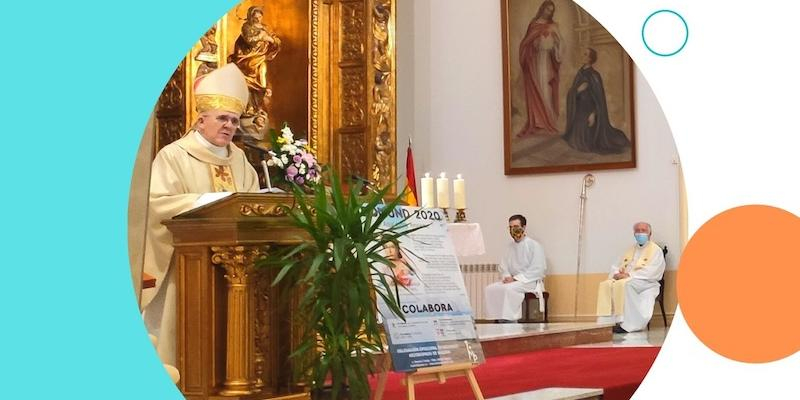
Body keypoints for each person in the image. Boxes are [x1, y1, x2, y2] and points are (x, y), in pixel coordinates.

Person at [141, 63, 261, 365]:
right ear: (201, 119)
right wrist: (208, 200)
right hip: (187, 267)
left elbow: (253, 207)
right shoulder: (174, 156)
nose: (229, 126)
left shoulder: (241, 161)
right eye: (222, 118)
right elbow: (156, 204)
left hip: (237, 271)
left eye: (234, 120)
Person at [596, 222, 666, 333]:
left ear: (650, 233)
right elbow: (617, 265)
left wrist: (629, 275)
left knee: (626, 285)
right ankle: (607, 323)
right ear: (634, 234)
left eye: (643, 230)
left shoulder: (656, 250)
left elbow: (654, 270)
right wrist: (616, 273)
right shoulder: (630, 250)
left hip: (646, 283)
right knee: (606, 285)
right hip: (628, 280)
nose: (640, 233)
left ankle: (627, 324)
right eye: (637, 231)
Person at [562, 48, 631, 154]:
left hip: (590, 111)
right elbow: (572, 92)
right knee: (575, 138)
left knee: (586, 141)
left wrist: (593, 114)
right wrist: (577, 90)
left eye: (585, 54)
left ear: (590, 59)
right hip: (579, 110)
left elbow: (600, 100)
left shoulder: (595, 75)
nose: (582, 56)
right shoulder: (580, 73)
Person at [484, 215, 547, 322]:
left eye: (516, 226)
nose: (513, 229)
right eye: (510, 227)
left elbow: (538, 269)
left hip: (529, 281)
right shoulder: (509, 247)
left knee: (508, 289)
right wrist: (507, 276)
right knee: (490, 288)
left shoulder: (533, 245)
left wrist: (516, 279)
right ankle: (498, 319)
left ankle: (510, 320)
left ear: (524, 227)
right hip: (512, 280)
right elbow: (503, 266)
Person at [517, 0, 562, 137]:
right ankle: (538, 122)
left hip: (547, 61)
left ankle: (546, 121)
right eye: (547, 9)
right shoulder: (533, 24)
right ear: (542, 8)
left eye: (551, 11)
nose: (548, 12)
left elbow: (560, 43)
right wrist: (535, 44)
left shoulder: (553, 26)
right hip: (535, 62)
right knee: (537, 88)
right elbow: (525, 44)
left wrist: (555, 46)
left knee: (546, 90)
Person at [228, 6, 281, 116]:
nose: (257, 19)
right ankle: (249, 108)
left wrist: (271, 39)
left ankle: (259, 107)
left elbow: (276, 41)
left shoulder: (266, 28)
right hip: (247, 60)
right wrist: (261, 36)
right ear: (250, 17)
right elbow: (249, 40)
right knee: (248, 84)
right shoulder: (246, 27)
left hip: (261, 58)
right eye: (255, 17)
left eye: (259, 17)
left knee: (262, 80)